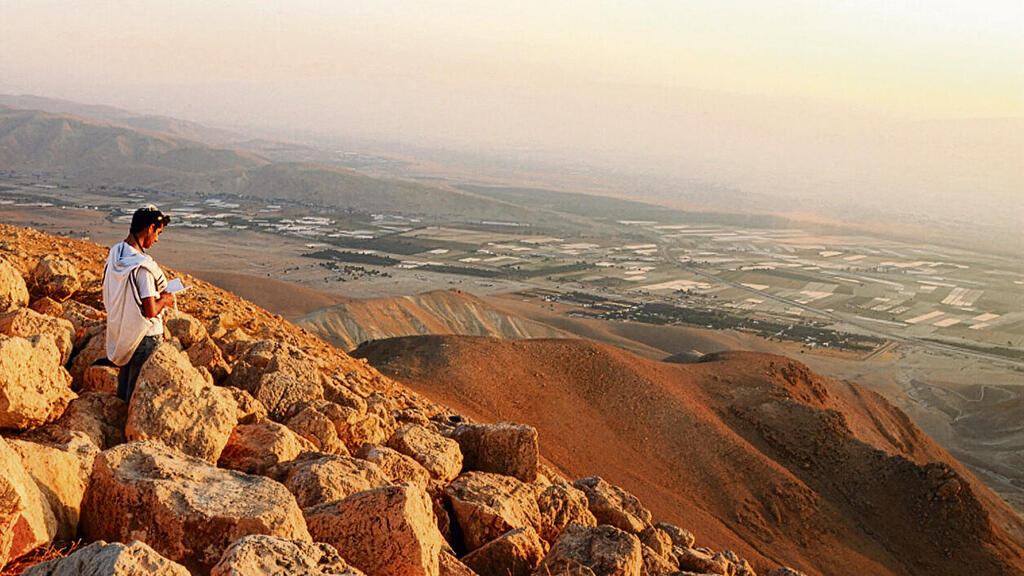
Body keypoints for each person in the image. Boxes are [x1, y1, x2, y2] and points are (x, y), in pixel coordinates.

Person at [102, 205, 174, 402]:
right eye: (158, 233)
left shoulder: (117, 254)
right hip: (146, 338)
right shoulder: (142, 267)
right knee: (138, 399)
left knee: (124, 392)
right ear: (150, 228)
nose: (157, 239)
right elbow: (150, 310)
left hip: (125, 334)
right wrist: (166, 299)